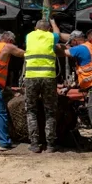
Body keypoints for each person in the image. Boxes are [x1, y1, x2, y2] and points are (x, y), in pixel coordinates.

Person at [24, 19, 62, 153]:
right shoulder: (52, 36)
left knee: (31, 110)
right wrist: (53, 22)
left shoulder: (29, 36)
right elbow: (59, 34)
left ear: (35, 28)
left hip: (31, 78)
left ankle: (34, 144)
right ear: (48, 29)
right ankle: (50, 144)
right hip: (48, 77)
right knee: (50, 111)